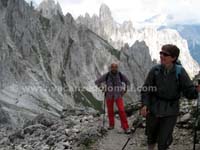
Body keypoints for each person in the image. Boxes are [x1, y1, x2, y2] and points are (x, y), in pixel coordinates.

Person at [140, 44, 200, 150]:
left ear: (173, 58)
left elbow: (189, 92)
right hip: (154, 109)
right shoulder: (155, 71)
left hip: (170, 111)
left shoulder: (180, 72)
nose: (162, 56)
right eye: (161, 53)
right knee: (151, 136)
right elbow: (146, 89)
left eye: (165, 54)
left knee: (164, 140)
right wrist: (145, 105)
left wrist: (196, 91)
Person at [95, 63, 131, 134]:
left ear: (117, 68)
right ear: (110, 68)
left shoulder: (120, 75)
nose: (114, 69)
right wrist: (102, 88)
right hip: (109, 95)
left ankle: (125, 127)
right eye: (112, 67)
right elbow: (97, 82)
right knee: (110, 111)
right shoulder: (107, 75)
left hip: (118, 95)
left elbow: (128, 82)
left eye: (115, 67)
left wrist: (125, 90)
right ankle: (111, 125)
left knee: (121, 110)